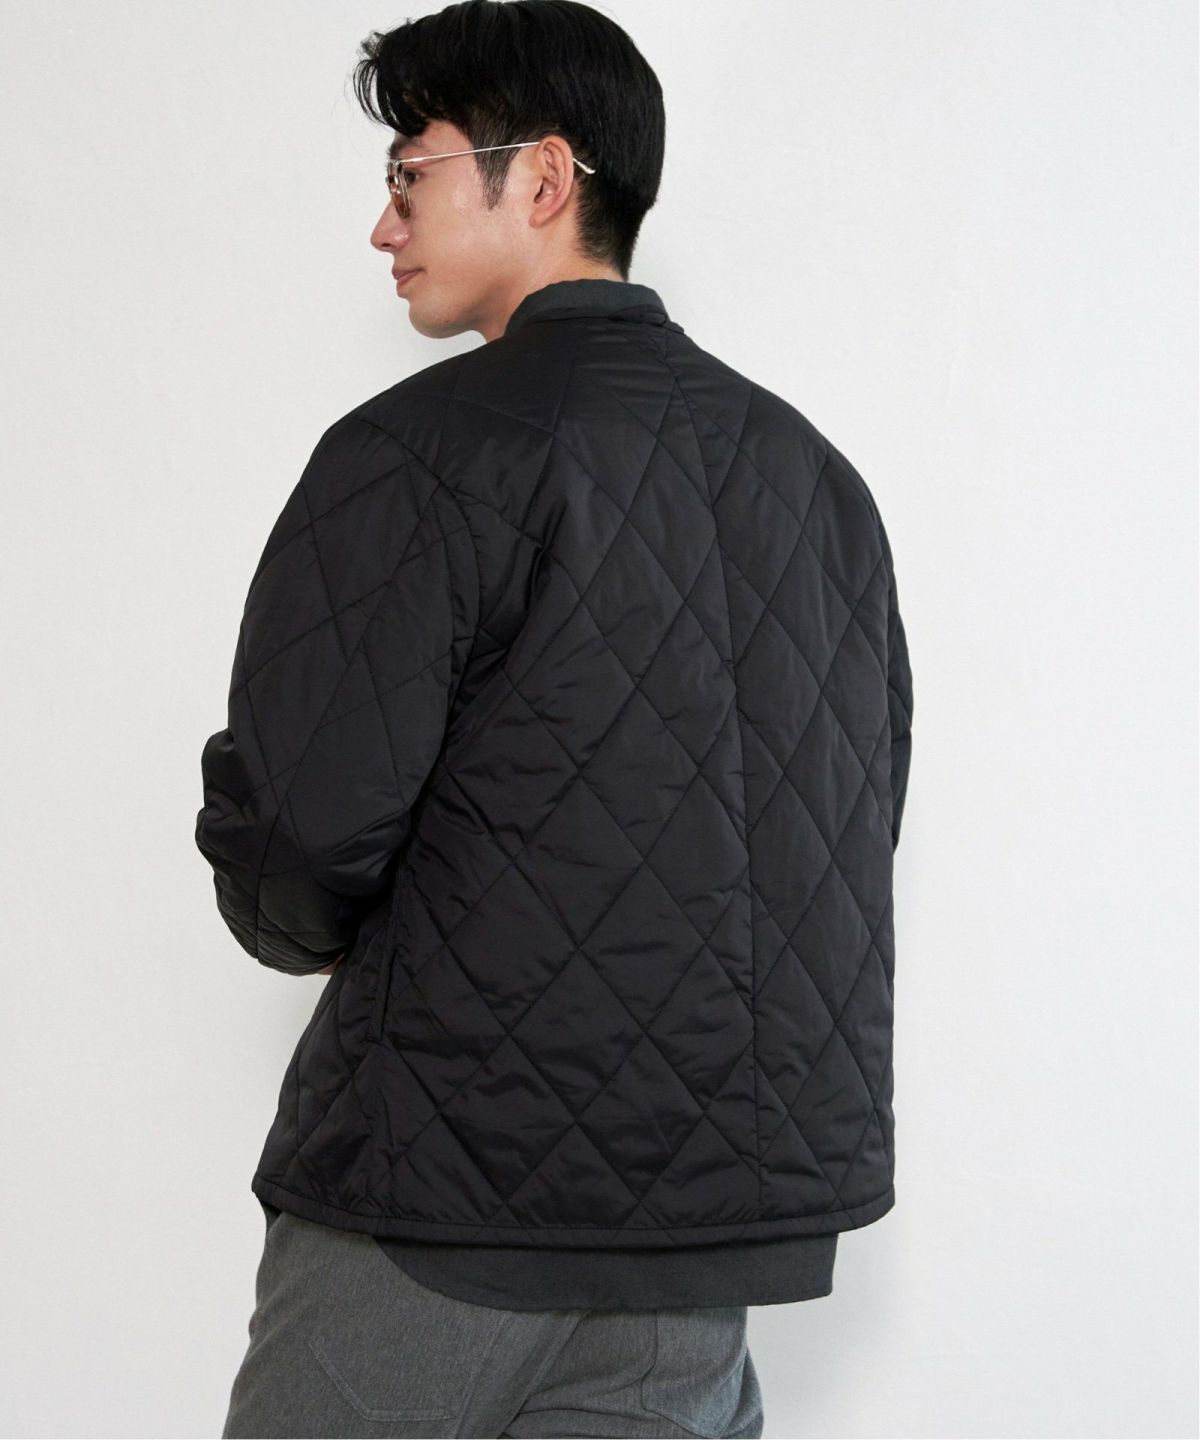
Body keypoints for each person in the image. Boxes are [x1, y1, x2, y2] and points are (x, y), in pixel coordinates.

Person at [195, 2, 914, 1435]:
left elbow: (300, 832)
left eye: (410, 176)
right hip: (703, 1238)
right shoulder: (815, 480)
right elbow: (847, 820)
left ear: (540, 177)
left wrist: (293, 924)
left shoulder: (419, 452)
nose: (384, 226)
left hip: (437, 1208)